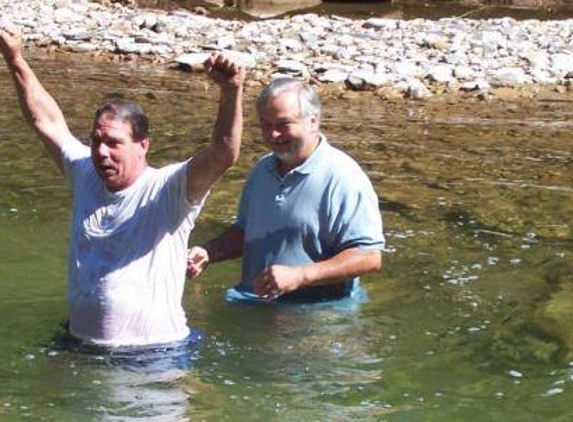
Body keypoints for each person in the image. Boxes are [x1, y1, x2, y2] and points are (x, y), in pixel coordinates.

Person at [0, 23, 245, 346]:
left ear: (142, 145)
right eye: (96, 141)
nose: (101, 151)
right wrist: (15, 57)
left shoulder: (169, 190)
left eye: (113, 143)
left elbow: (223, 152)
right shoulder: (84, 171)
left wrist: (231, 92)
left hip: (154, 355)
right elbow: (45, 120)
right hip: (79, 347)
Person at [187, 77, 384, 303]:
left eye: (283, 125)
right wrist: (210, 252)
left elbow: (369, 256)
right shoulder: (262, 169)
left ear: (313, 122)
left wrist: (300, 275)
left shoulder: (343, 177)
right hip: (251, 302)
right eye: (266, 125)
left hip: (320, 317)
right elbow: (246, 231)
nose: (273, 135)